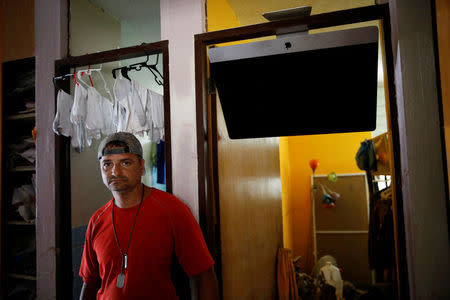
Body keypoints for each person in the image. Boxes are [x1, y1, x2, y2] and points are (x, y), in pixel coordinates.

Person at [79, 132, 219, 299]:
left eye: (125, 162)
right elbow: (89, 283)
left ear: (141, 166)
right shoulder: (97, 220)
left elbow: (203, 274)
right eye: (107, 164)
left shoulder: (172, 210)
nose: (115, 171)